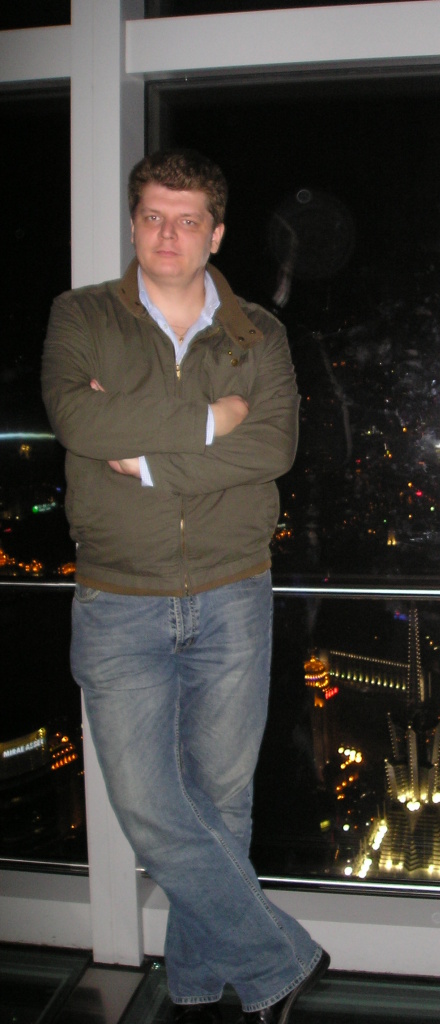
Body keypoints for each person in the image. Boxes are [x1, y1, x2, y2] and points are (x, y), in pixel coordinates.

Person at [42, 149, 329, 1024]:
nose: (168, 234)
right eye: (152, 217)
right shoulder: (82, 314)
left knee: (221, 805)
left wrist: (151, 462)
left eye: (187, 219)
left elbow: (272, 447)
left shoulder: (259, 335)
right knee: (147, 804)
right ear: (134, 224)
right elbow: (76, 416)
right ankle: (281, 958)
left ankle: (201, 988)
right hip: (116, 597)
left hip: (233, 592)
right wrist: (212, 420)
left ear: (217, 234)